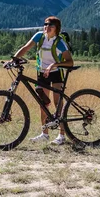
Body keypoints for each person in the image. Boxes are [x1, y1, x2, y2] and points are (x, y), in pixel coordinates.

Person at [13, 16, 74, 145]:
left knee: (58, 102)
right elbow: (25, 48)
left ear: (56, 29)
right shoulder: (39, 36)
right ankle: (44, 134)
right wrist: (13, 59)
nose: (47, 27)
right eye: (45, 24)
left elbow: (70, 62)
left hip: (56, 73)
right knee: (43, 104)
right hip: (42, 73)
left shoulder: (59, 43)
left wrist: (54, 65)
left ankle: (61, 136)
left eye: (50, 26)